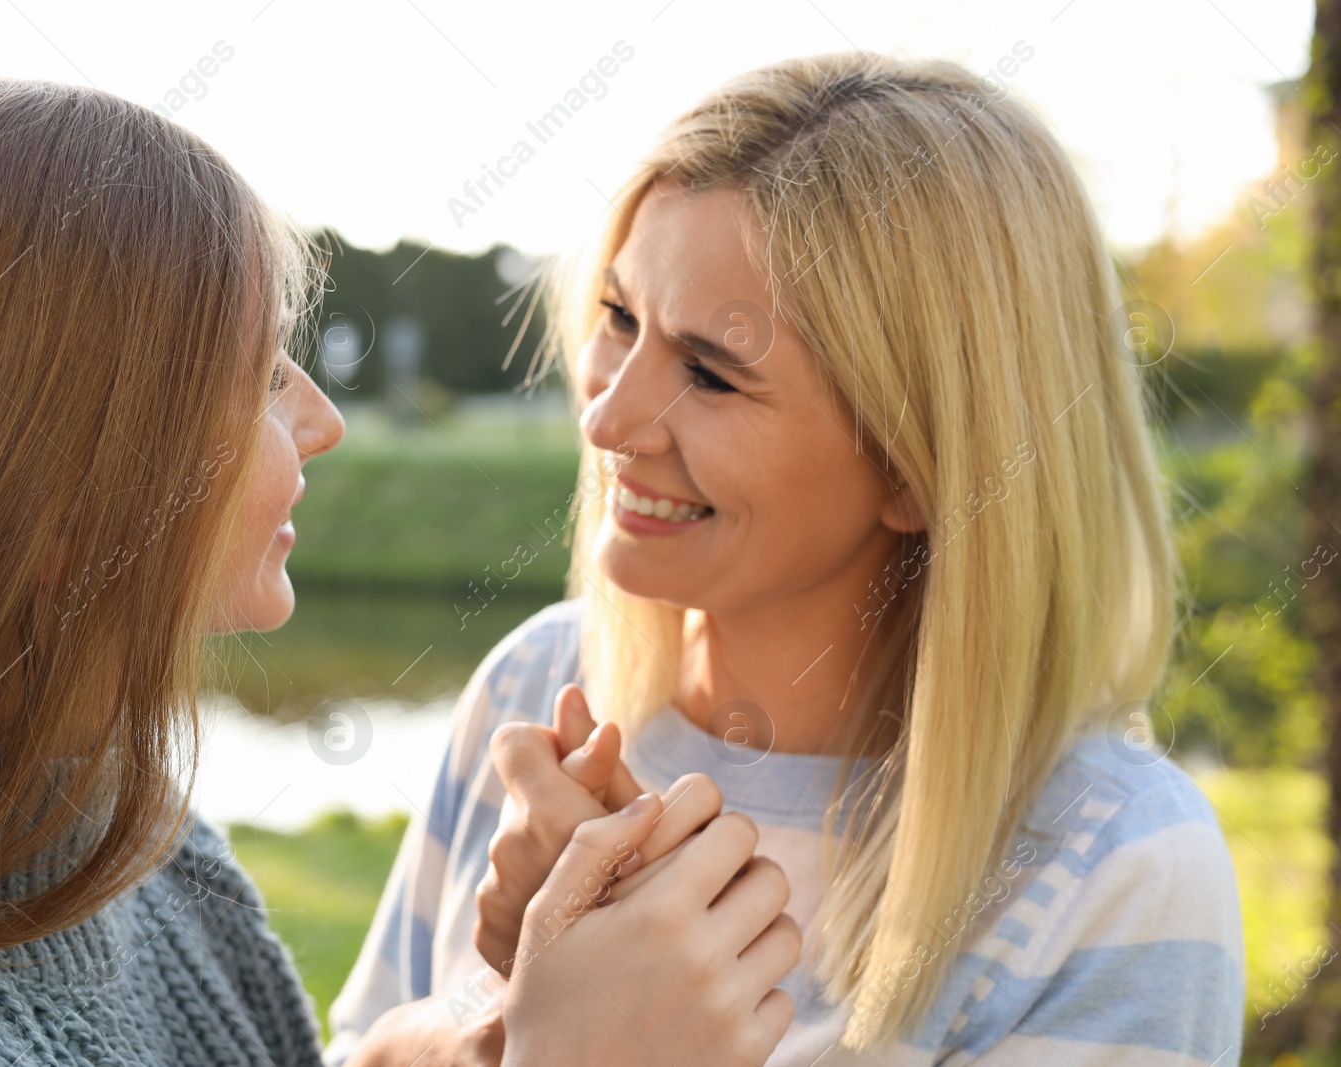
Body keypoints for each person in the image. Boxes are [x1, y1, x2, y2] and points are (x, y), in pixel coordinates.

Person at [0, 66, 798, 1066]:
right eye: (257, 379)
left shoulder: (127, 832)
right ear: (50, 500)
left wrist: (507, 1015)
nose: (325, 420)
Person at [328, 52, 1247, 1065]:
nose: (606, 415)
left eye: (711, 375)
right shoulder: (542, 682)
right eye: (618, 317)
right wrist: (506, 1005)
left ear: (920, 465)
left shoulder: (1115, 865)